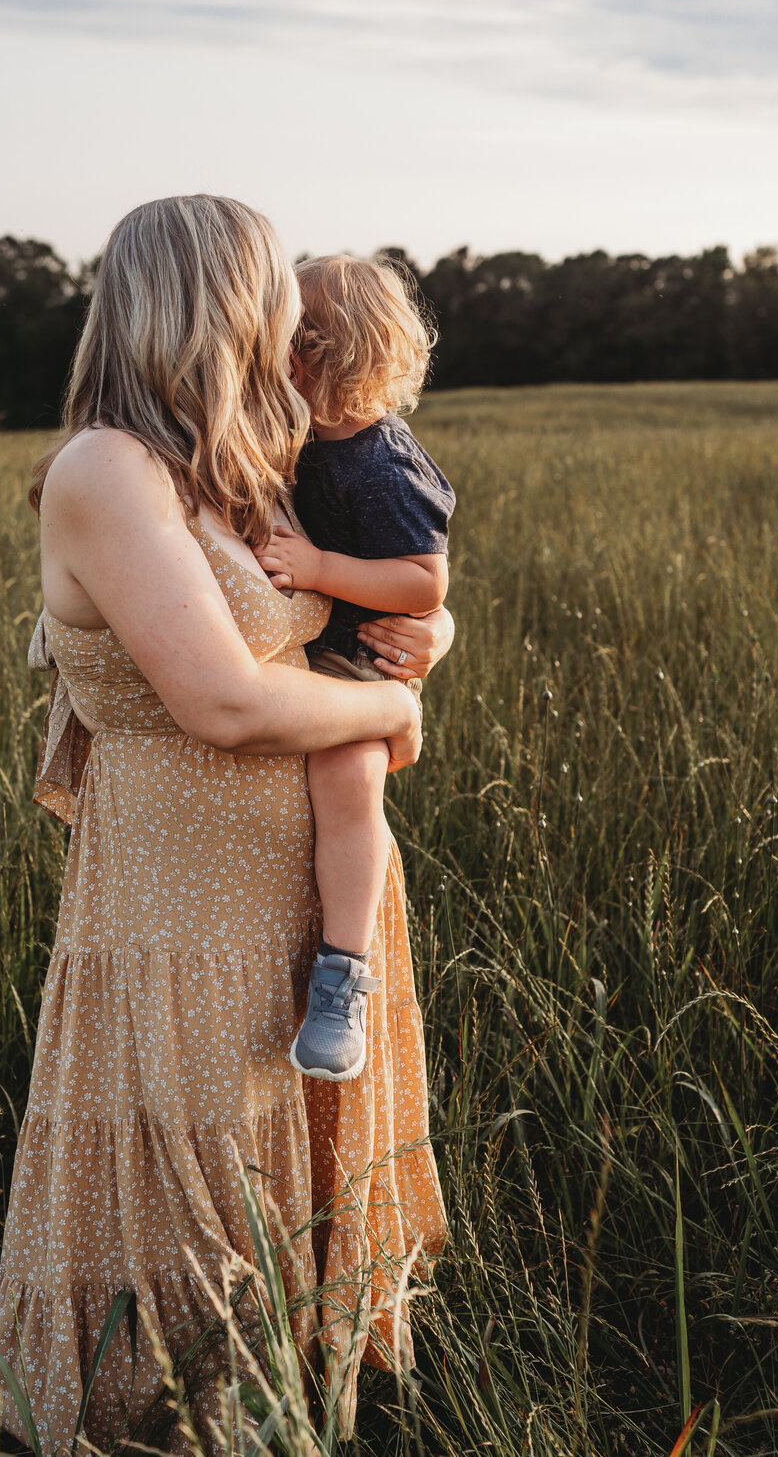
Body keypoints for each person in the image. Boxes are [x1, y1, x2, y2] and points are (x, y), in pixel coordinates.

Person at [0, 196, 452, 1455]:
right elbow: (223, 700)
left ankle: (302, 1421)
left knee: (284, 1175)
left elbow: (357, 614)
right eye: (276, 293)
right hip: (180, 901)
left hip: (302, 887)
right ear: (219, 302)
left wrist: (422, 643)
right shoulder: (106, 470)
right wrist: (396, 705)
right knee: (193, 1193)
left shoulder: (229, 467)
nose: (297, 319)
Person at [254, 256, 454, 1084]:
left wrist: (316, 566)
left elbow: (422, 581)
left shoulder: (383, 463)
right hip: (311, 646)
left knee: (347, 778)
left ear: (315, 355)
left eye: (280, 344)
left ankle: (341, 975)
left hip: (362, 657)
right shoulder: (300, 436)